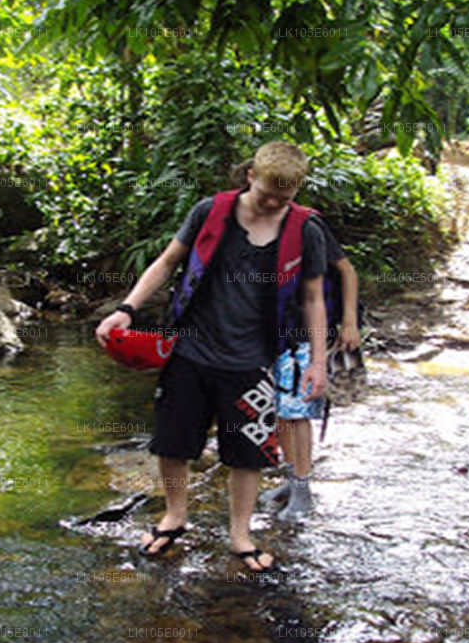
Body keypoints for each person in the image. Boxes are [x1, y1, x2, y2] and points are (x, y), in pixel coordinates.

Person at [95, 141, 329, 571]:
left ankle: (240, 534)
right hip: (189, 349)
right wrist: (126, 309)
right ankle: (175, 515)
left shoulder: (305, 230)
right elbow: (167, 262)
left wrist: (317, 362)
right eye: (267, 195)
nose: (275, 204)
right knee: (173, 440)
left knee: (248, 451)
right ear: (250, 177)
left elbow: (314, 297)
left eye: (286, 198)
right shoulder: (210, 211)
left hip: (253, 359)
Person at [262, 214, 360, 521]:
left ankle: (303, 490)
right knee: (280, 410)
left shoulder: (307, 226)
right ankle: (292, 480)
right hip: (274, 333)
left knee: (298, 410)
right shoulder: (248, 224)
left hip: (308, 334)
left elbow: (347, 271)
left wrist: (350, 321)